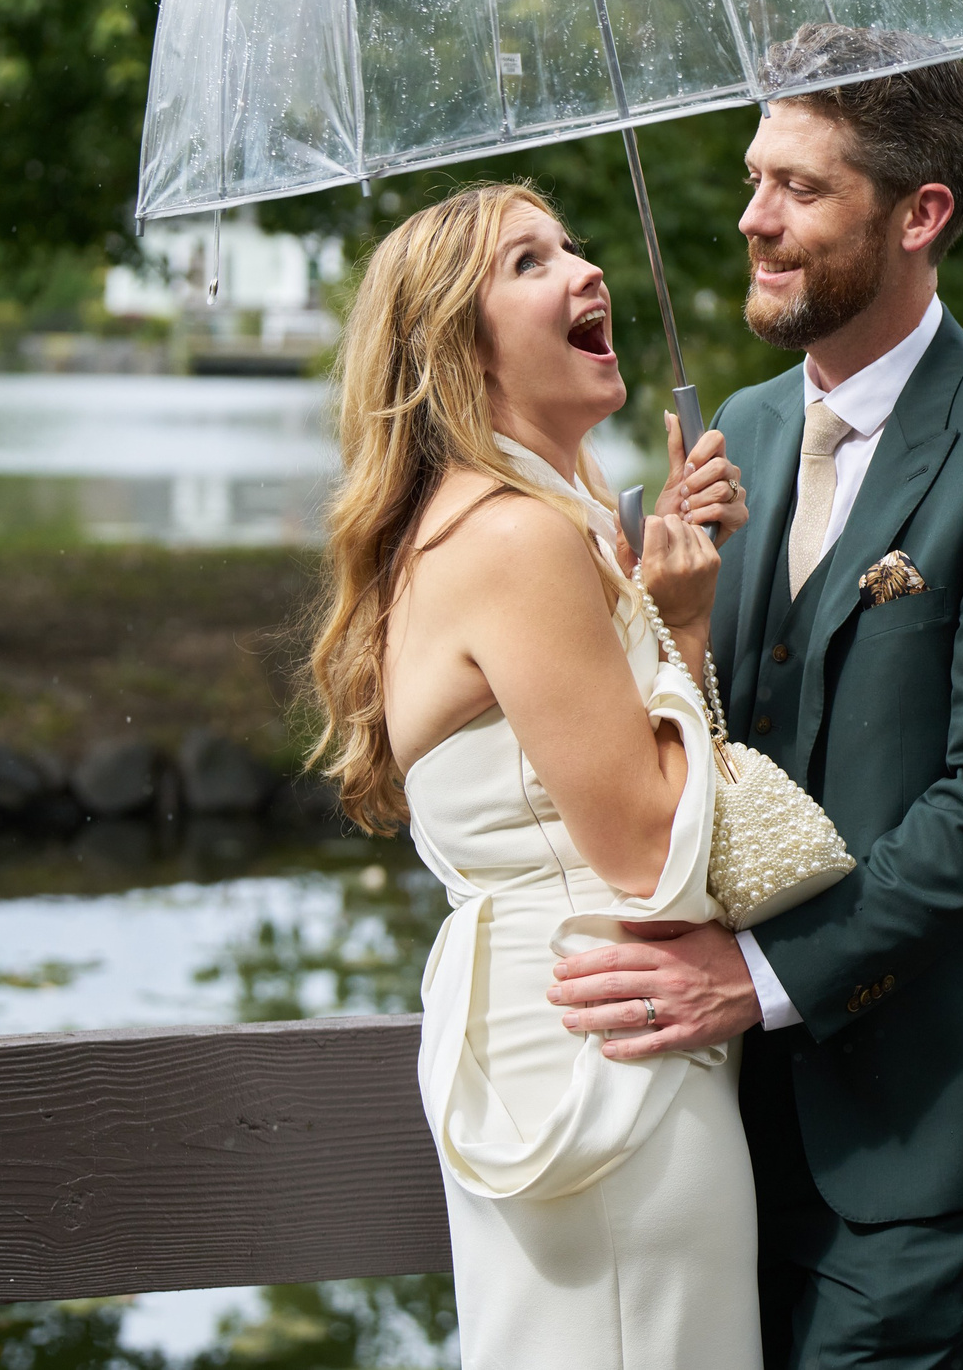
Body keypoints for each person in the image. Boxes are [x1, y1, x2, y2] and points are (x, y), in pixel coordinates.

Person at [550, 25, 963, 1370]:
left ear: (920, 211)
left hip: (936, 1117)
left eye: (800, 188)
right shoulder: (731, 437)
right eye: (757, 178)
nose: (754, 217)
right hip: (726, 1125)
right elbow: (685, 755)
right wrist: (669, 620)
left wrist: (755, 977)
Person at [304, 182, 758, 1369]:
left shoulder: (523, 520)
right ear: (459, 347)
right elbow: (651, 856)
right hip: (606, 1067)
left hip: (560, 1043)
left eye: (573, 245)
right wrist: (685, 627)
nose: (585, 272)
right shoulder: (517, 539)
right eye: (528, 263)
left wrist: (651, 601)